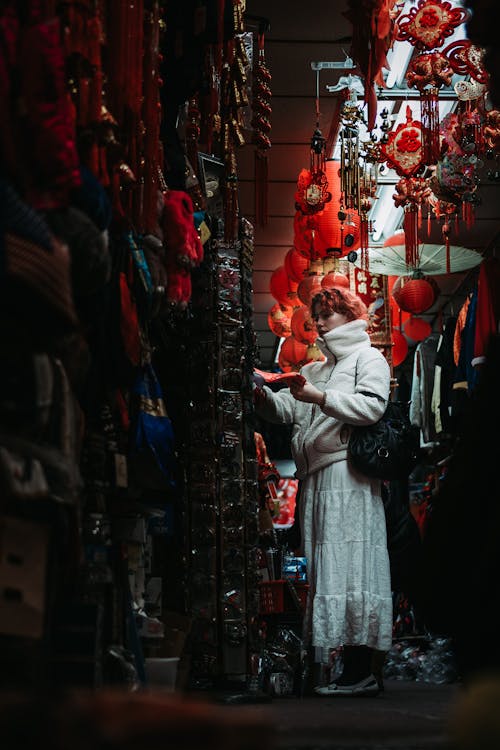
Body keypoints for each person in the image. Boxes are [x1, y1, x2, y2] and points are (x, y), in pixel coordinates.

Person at [254, 287, 393, 696]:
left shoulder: (369, 359)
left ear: (349, 316)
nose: (319, 322)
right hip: (316, 479)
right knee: (328, 568)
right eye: (316, 315)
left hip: (348, 477)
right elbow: (288, 410)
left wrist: (317, 396)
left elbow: (371, 406)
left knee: (352, 564)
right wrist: (262, 391)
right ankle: (345, 669)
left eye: (328, 314)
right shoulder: (315, 368)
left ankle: (359, 669)